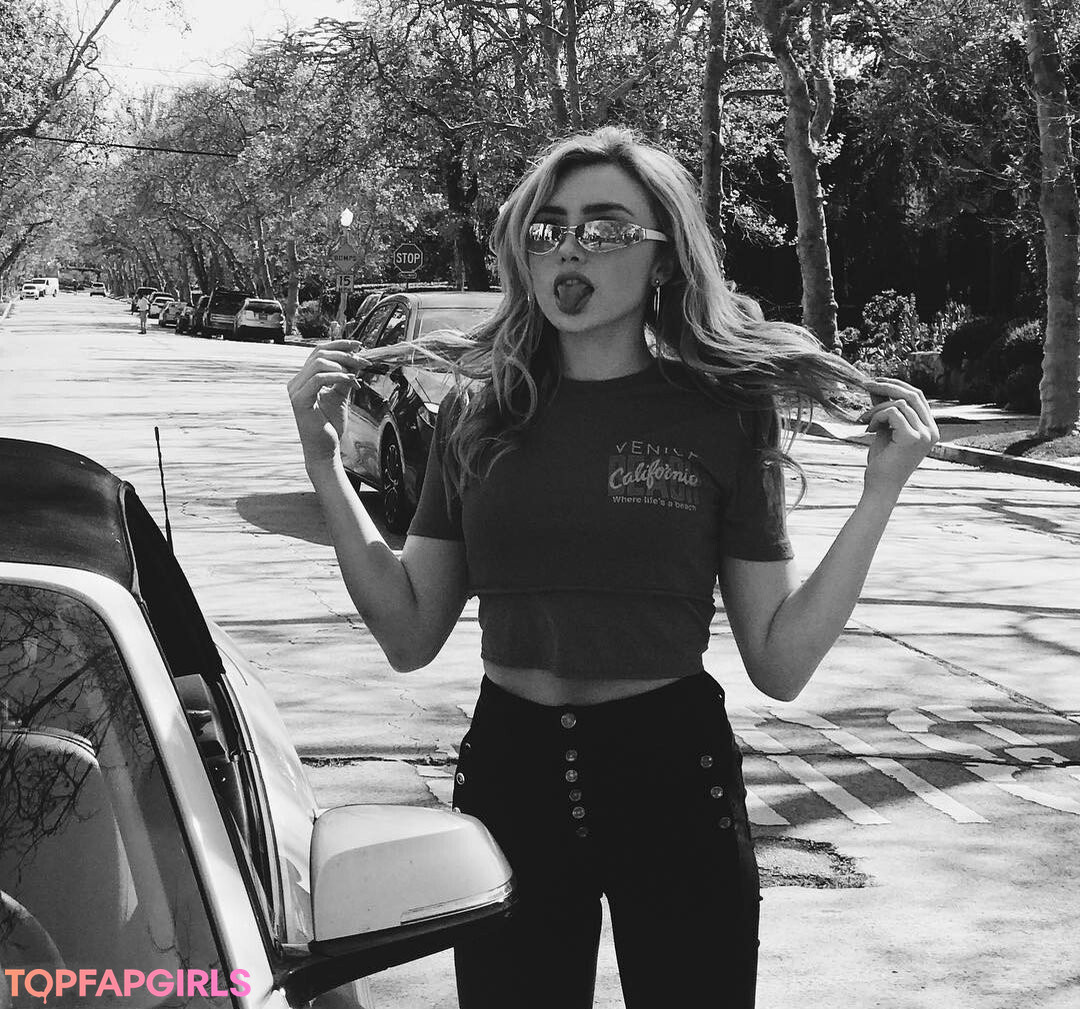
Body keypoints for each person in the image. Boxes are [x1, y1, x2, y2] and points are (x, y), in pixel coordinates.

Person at [287, 126, 938, 1008]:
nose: (569, 247)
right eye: (548, 228)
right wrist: (325, 467)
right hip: (511, 774)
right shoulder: (477, 414)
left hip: (670, 776)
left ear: (663, 258)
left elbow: (780, 660)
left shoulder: (721, 413)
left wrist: (879, 495)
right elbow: (408, 632)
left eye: (603, 229)